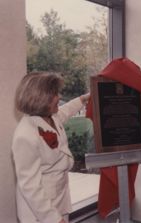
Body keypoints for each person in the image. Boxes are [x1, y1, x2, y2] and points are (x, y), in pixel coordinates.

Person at [12, 72, 90, 223]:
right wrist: (54, 219)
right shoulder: (25, 135)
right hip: (39, 213)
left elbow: (65, 111)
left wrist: (83, 99)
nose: (59, 97)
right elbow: (30, 187)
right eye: (55, 94)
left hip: (59, 200)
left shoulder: (49, 117)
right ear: (40, 98)